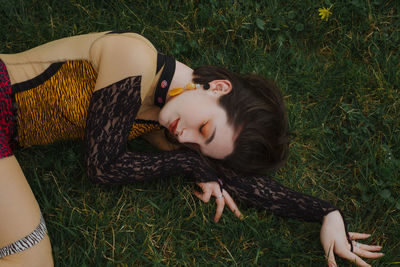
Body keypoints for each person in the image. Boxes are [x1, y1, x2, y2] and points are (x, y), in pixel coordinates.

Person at [0, 31, 383, 266]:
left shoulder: (169, 112)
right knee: (30, 256)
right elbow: (102, 166)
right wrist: (186, 161)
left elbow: (234, 181)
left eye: (200, 145)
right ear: (218, 88)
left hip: (7, 137)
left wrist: (325, 212)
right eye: (204, 129)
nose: (186, 138)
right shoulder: (134, 59)